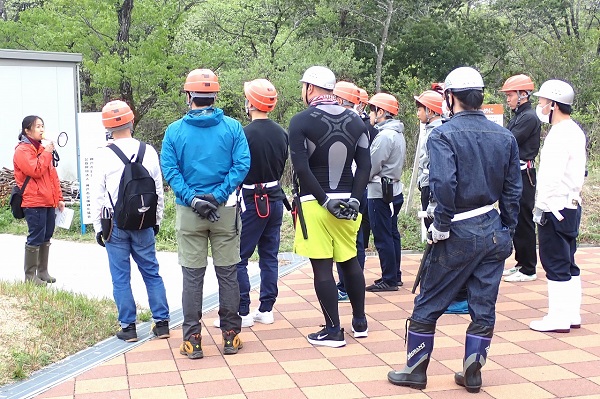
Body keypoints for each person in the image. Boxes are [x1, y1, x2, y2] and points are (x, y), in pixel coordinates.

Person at [387, 67, 521, 393]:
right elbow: (513, 191)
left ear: (450, 97)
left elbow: (443, 184)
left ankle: (415, 370)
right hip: (493, 228)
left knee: (429, 301)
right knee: (483, 304)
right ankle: (472, 371)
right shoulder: (504, 136)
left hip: (458, 229)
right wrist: (507, 229)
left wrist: (442, 225)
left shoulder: (442, 134)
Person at [161, 68, 250, 358]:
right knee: (228, 275)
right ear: (214, 96)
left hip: (190, 212)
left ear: (189, 96)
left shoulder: (174, 131)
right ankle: (231, 336)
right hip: (224, 210)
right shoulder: (233, 128)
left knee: (192, 276)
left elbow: (170, 170)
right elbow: (241, 165)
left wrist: (193, 198)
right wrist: (220, 194)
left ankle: (193, 340)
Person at [289, 66, 371, 347]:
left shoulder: (300, 121)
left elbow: (301, 168)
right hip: (350, 200)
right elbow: (365, 167)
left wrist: (325, 200)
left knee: (322, 268)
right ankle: (359, 322)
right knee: (349, 261)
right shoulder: (357, 120)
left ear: (310, 88)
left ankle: (333, 330)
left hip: (315, 203)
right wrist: (356, 201)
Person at [92, 100, 170, 343]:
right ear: (132, 120)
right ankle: (162, 322)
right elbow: (158, 189)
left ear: (107, 127)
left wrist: (98, 227)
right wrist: (156, 220)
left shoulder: (104, 154)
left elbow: (97, 193)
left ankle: (129, 328)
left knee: (121, 276)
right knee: (151, 271)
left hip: (115, 225)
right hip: (144, 220)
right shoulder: (148, 151)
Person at [214, 78, 288, 327]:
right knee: (269, 256)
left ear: (250, 103)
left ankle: (242, 310)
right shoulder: (282, 133)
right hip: (275, 197)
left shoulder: (242, 134)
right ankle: (266, 308)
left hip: (251, 199)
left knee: (240, 256)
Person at [529, 80, 586, 333]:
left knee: (554, 261)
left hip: (556, 206)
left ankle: (558, 318)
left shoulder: (559, 134)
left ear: (554, 104)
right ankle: (571, 314)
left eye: (542, 102)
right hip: (571, 204)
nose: (539, 106)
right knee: (568, 260)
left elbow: (551, 176)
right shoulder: (574, 130)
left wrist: (541, 206)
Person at [14, 115, 65, 286]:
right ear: (27, 131)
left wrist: (59, 198)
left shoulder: (42, 150)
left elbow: (52, 176)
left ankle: (42, 272)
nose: (42, 130)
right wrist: (47, 152)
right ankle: (30, 276)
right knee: (35, 237)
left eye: (43, 126)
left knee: (46, 235)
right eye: (37, 127)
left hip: (48, 201)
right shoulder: (22, 150)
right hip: (33, 201)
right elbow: (35, 170)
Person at [500, 74, 542, 282]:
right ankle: (521, 262)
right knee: (514, 216)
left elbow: (509, 140)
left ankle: (528, 267)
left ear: (523, 94)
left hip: (524, 173)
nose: (508, 99)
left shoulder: (529, 117)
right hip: (516, 172)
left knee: (523, 219)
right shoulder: (518, 116)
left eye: (510, 95)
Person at [364, 92, 406, 292]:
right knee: (392, 233)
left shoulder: (384, 136)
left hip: (379, 190)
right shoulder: (397, 133)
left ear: (381, 112)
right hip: (393, 189)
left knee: (382, 236)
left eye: (372, 110)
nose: (370, 115)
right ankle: (394, 275)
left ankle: (388, 278)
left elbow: (371, 165)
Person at [331, 81, 366, 302]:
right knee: (354, 238)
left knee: (349, 242)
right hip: (357, 189)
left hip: (345, 187)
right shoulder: (360, 123)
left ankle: (346, 286)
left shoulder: (347, 123)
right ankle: (348, 284)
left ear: (341, 100)